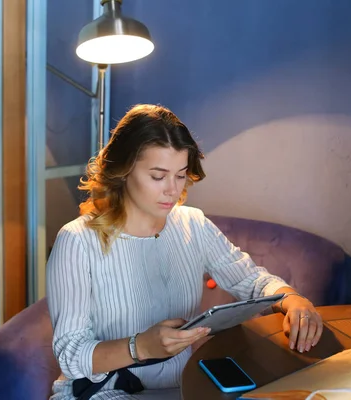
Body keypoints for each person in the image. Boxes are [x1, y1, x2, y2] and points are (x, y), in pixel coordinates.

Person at [46, 104, 324, 400]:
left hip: (181, 388)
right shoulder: (77, 241)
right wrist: (139, 347)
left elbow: (252, 280)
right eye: (158, 176)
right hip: (102, 392)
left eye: (180, 175)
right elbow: (71, 355)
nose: (172, 189)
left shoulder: (192, 224)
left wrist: (293, 300)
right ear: (122, 170)